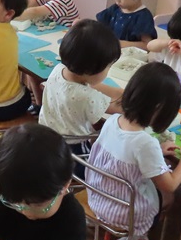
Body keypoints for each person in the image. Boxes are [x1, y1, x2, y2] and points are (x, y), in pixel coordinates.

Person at [87, 63, 181, 240]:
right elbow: (170, 184)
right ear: (159, 109)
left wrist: (158, 151)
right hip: (124, 214)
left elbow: (128, 154)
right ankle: (137, 237)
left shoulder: (113, 121)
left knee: (148, 184)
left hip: (97, 198)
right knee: (171, 196)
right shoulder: (145, 143)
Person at [38, 19, 121, 151]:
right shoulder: (87, 97)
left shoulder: (59, 70)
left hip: (46, 136)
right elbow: (118, 108)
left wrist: (123, 92)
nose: (108, 70)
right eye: (109, 66)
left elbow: (96, 87)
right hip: (72, 146)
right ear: (89, 69)